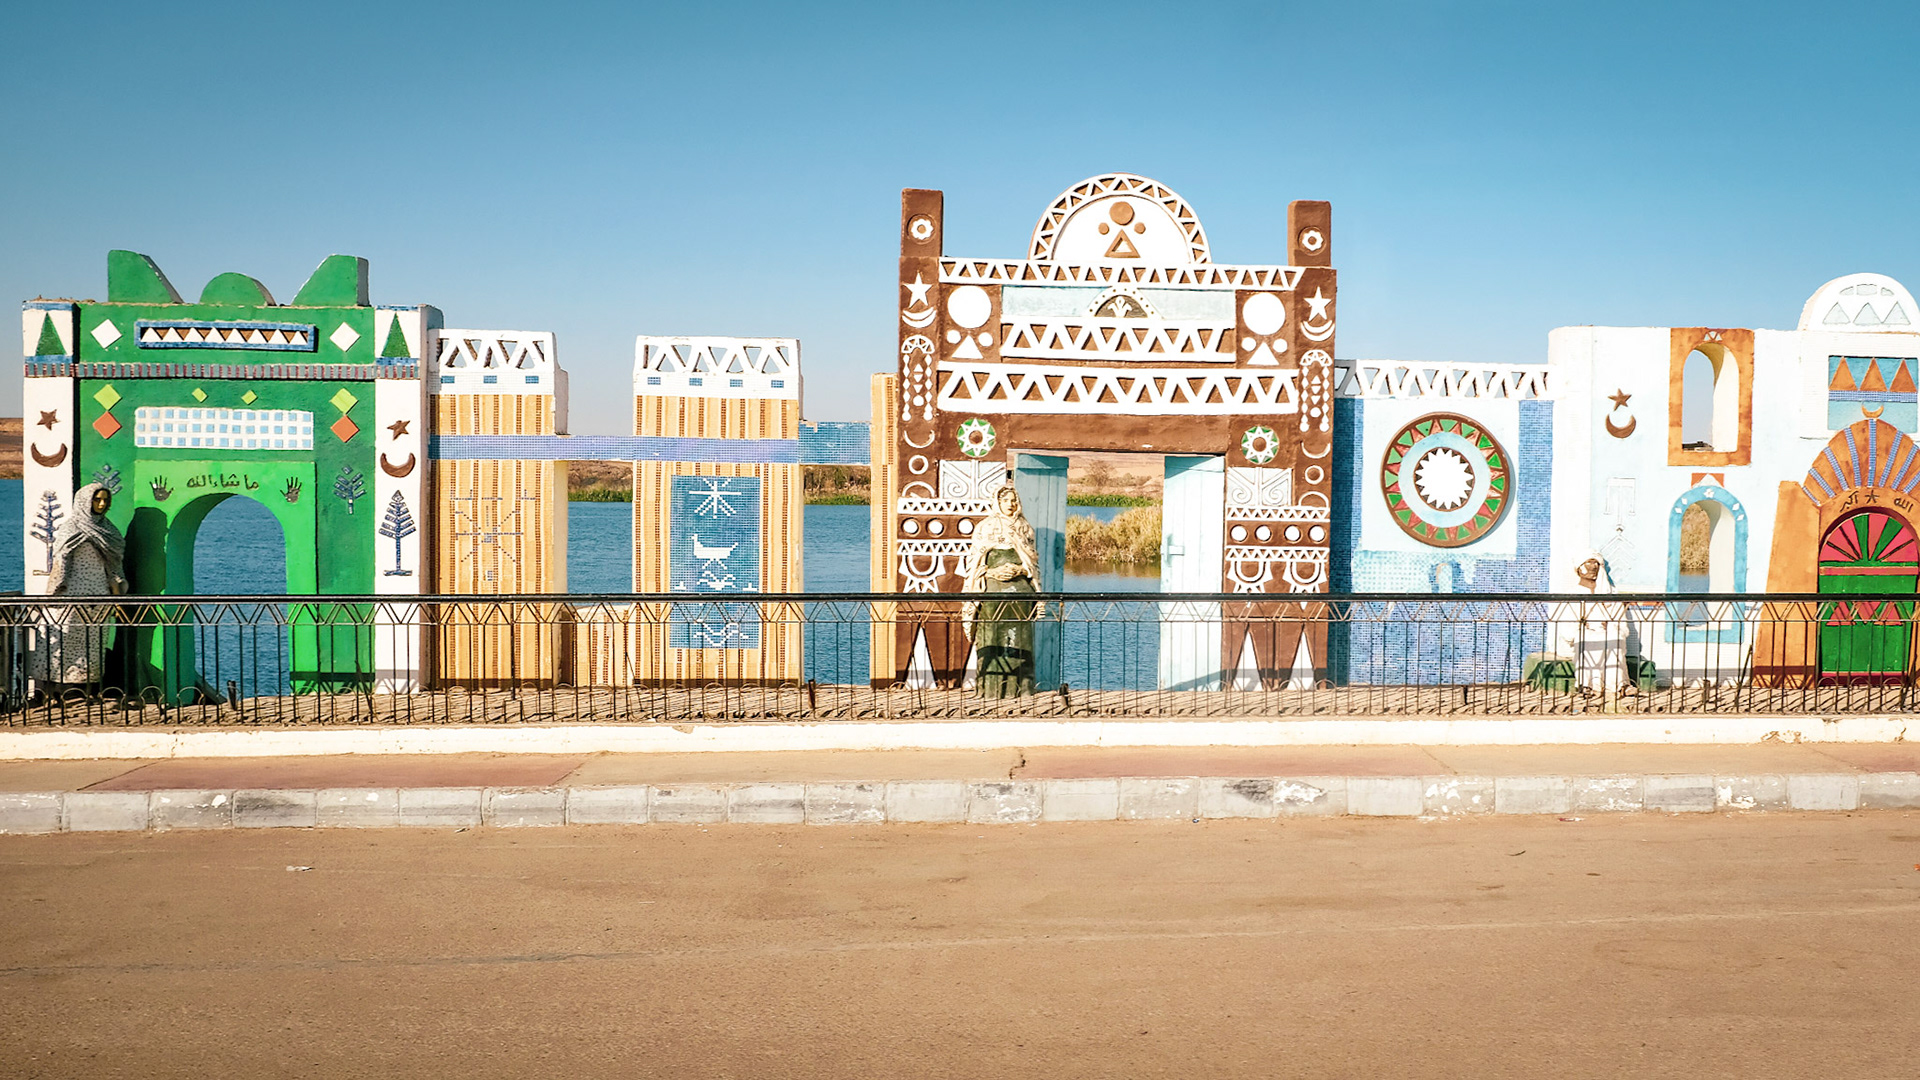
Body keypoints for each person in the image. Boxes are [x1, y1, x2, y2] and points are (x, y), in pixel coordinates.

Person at [34, 483, 129, 696]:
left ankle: (85, 690)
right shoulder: (71, 528)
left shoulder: (108, 530)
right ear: (85, 501)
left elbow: (114, 566)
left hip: (99, 595)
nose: (102, 504)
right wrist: (55, 590)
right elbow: (61, 560)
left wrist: (117, 596)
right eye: (97, 499)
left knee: (92, 643)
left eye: (105, 500)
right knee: (63, 639)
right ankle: (54, 691)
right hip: (69, 594)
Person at [962, 482, 1045, 698]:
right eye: (1005, 500)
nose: (1010, 504)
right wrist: (992, 572)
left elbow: (1032, 562)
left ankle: (1022, 689)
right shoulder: (985, 527)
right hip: (992, 591)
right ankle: (991, 690)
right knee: (992, 636)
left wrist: (1020, 569)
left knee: (1020, 638)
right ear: (997, 502)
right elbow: (974, 563)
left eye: (1013, 500)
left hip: (1020, 590)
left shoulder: (1025, 528)